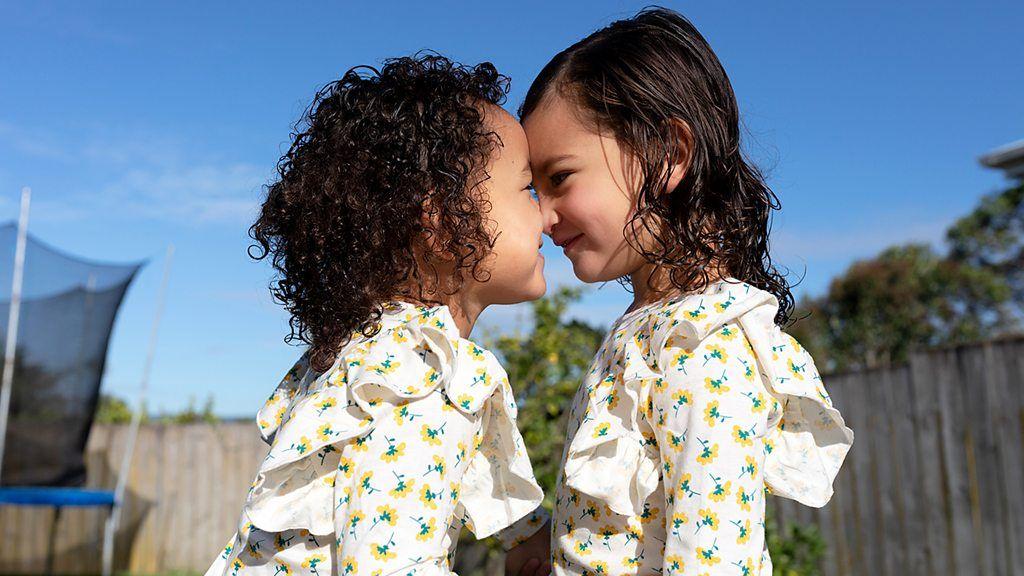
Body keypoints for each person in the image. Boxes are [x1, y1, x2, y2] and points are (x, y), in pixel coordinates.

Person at [520, 8, 854, 575]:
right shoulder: (650, 328)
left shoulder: (703, 345)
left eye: (560, 178)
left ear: (668, 155)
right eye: (533, 187)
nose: (543, 216)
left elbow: (714, 558)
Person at [207, 53, 551, 576]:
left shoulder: (366, 359)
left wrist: (526, 533)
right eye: (526, 188)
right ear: (441, 223)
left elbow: (447, 461)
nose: (547, 212)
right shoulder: (416, 377)